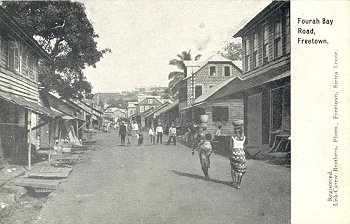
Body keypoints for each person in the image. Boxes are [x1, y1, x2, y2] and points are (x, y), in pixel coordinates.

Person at [230, 123, 247, 189]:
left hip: (234, 154)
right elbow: (244, 147)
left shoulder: (233, 137)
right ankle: (238, 184)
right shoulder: (243, 137)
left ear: (235, 130)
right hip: (242, 154)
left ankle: (234, 181)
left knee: (233, 168)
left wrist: (230, 154)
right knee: (241, 170)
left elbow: (230, 148)